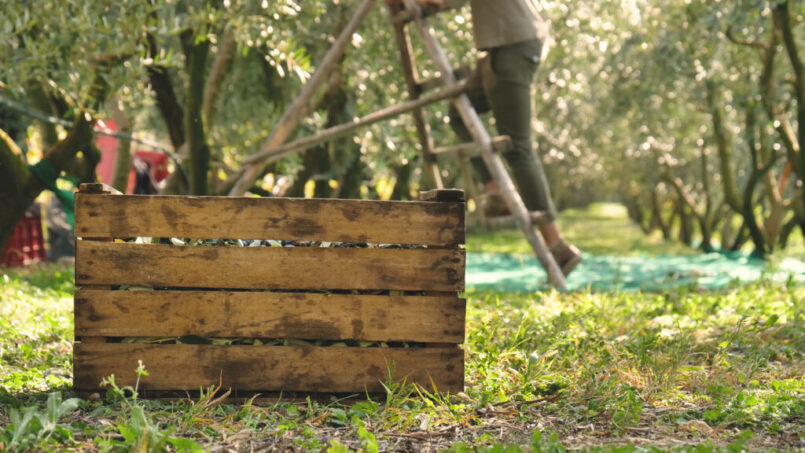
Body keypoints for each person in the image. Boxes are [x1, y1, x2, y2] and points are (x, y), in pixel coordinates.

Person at [417, 0, 582, 276]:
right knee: (460, 113)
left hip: (513, 46)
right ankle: (496, 190)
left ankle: (557, 245)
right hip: (502, 48)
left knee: (517, 147)